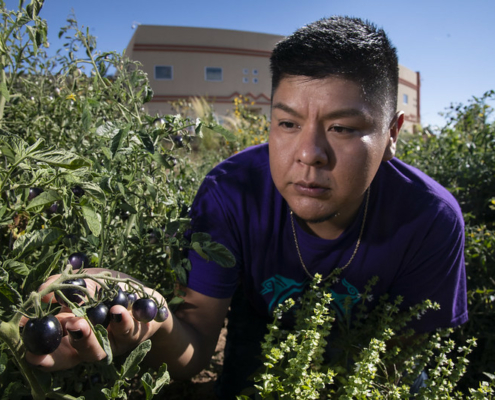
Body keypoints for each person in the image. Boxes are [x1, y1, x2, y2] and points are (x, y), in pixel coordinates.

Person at [26, 16, 468, 399]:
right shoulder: (231, 192)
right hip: (255, 363)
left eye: (342, 128)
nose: (309, 153)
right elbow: (193, 350)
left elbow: (403, 359)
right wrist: (156, 318)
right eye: (288, 123)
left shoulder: (430, 217)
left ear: (392, 133)